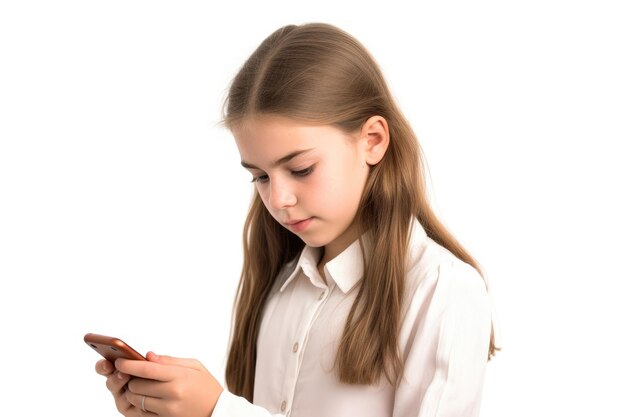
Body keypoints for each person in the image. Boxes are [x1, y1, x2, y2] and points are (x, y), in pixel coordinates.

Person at [95, 22, 500, 417]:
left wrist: (219, 411)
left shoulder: (444, 292)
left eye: (302, 169)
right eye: (260, 176)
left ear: (372, 141)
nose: (278, 199)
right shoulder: (281, 285)